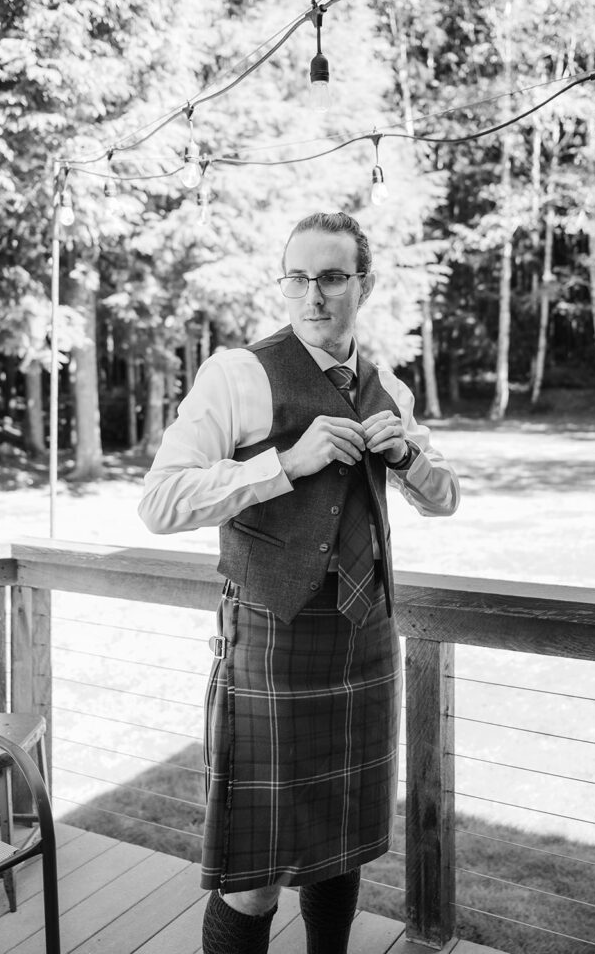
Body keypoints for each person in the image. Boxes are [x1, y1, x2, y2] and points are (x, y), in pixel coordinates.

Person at [139, 211, 460, 954]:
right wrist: (284, 464)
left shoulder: (392, 392)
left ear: (364, 285)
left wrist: (410, 457)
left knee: (342, 846)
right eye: (298, 278)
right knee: (253, 877)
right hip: (272, 643)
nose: (312, 295)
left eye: (332, 278)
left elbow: (444, 496)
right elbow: (159, 501)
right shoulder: (238, 374)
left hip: (366, 638)